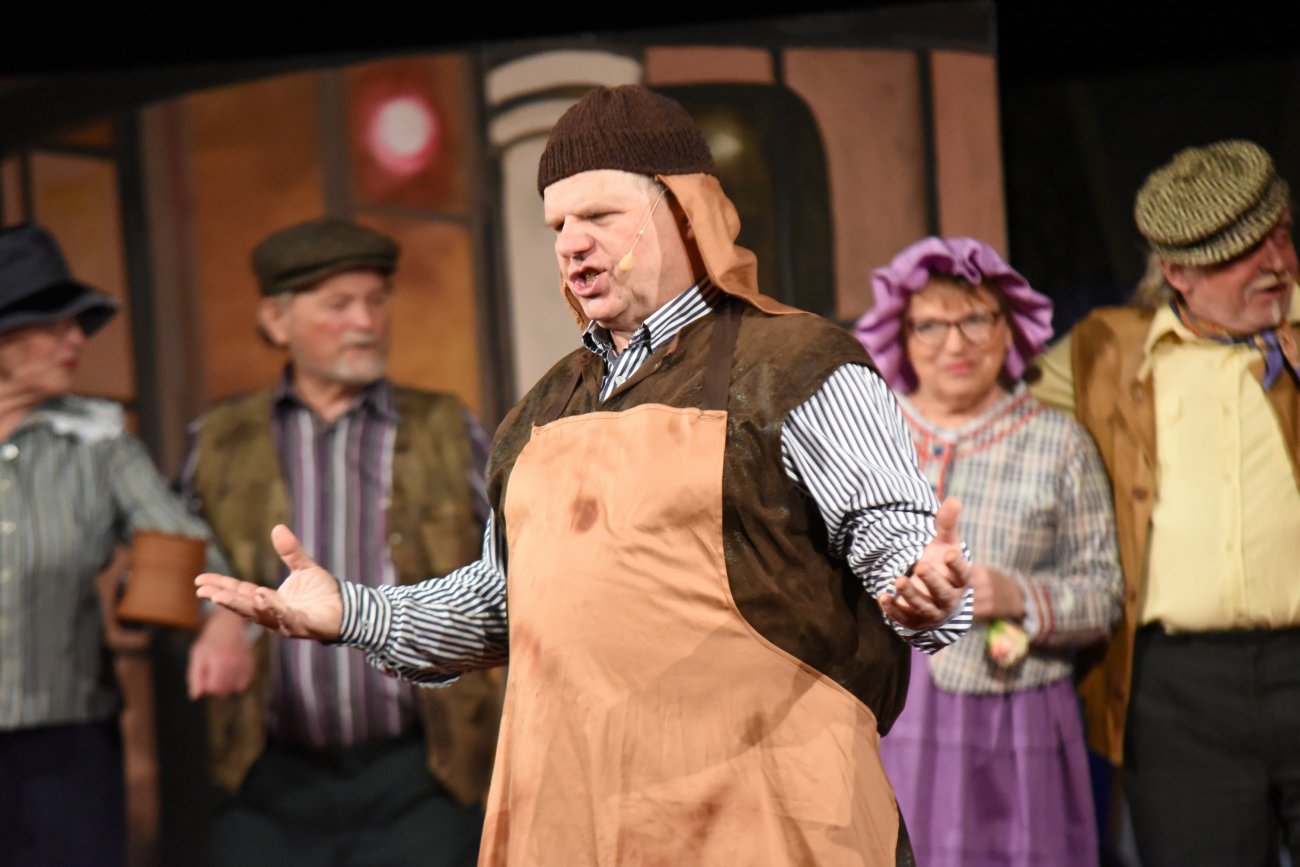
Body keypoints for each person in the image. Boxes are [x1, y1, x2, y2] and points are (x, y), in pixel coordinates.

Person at [198, 85, 975, 866]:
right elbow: (505, 601)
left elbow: (902, 552)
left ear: (686, 213)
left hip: (766, 820)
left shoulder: (797, 366)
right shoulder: (543, 408)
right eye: (558, 225)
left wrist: (925, 589)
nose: (571, 244)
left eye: (599, 216)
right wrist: (354, 611)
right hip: (580, 823)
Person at [182, 216, 501, 867]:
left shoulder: (446, 427)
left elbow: (512, 562)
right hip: (265, 779)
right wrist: (214, 619)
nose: (366, 321)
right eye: (339, 304)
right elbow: (164, 562)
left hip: (424, 774)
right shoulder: (219, 438)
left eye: (377, 301)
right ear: (276, 321)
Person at [1031, 139, 1300, 865]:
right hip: (1179, 692)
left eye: (1280, 236)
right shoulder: (1108, 350)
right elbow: (989, 409)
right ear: (1177, 272)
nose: (1276, 263)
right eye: (1242, 254)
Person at [855, 236, 1123, 866]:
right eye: (931, 325)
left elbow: (1103, 594)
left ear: (1009, 328)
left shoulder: (1058, 444)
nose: (955, 344)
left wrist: (1016, 596)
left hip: (1017, 713)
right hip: (893, 715)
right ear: (901, 335)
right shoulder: (868, 441)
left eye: (975, 319)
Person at [0, 222, 220, 867]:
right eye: (53, 324)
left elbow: (184, 544)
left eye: (78, 324)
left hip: (64, 741)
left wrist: (225, 622)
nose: (76, 339)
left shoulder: (98, 441)